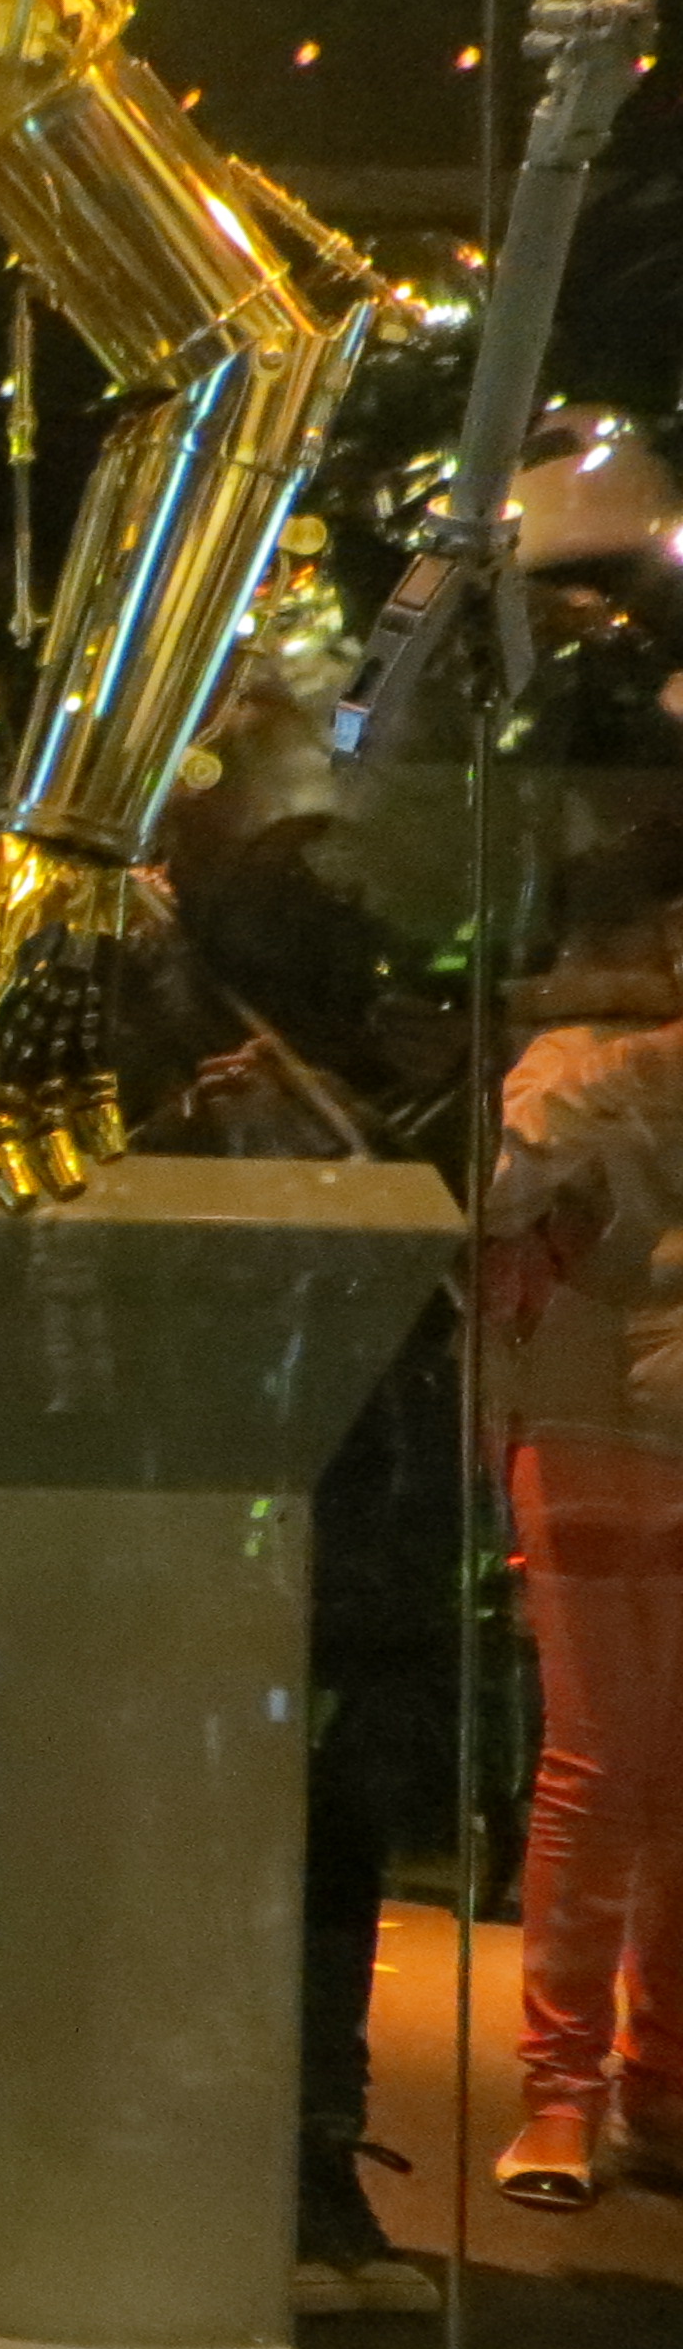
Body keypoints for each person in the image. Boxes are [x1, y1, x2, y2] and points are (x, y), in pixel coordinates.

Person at [483, 821, 683, 2210]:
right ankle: (564, 2090)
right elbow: (505, 1181)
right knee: (602, 1765)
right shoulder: (579, 1062)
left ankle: (650, 2081)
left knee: (640, 1773)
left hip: (610, 1411)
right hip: (595, 1422)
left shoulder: (587, 1062)